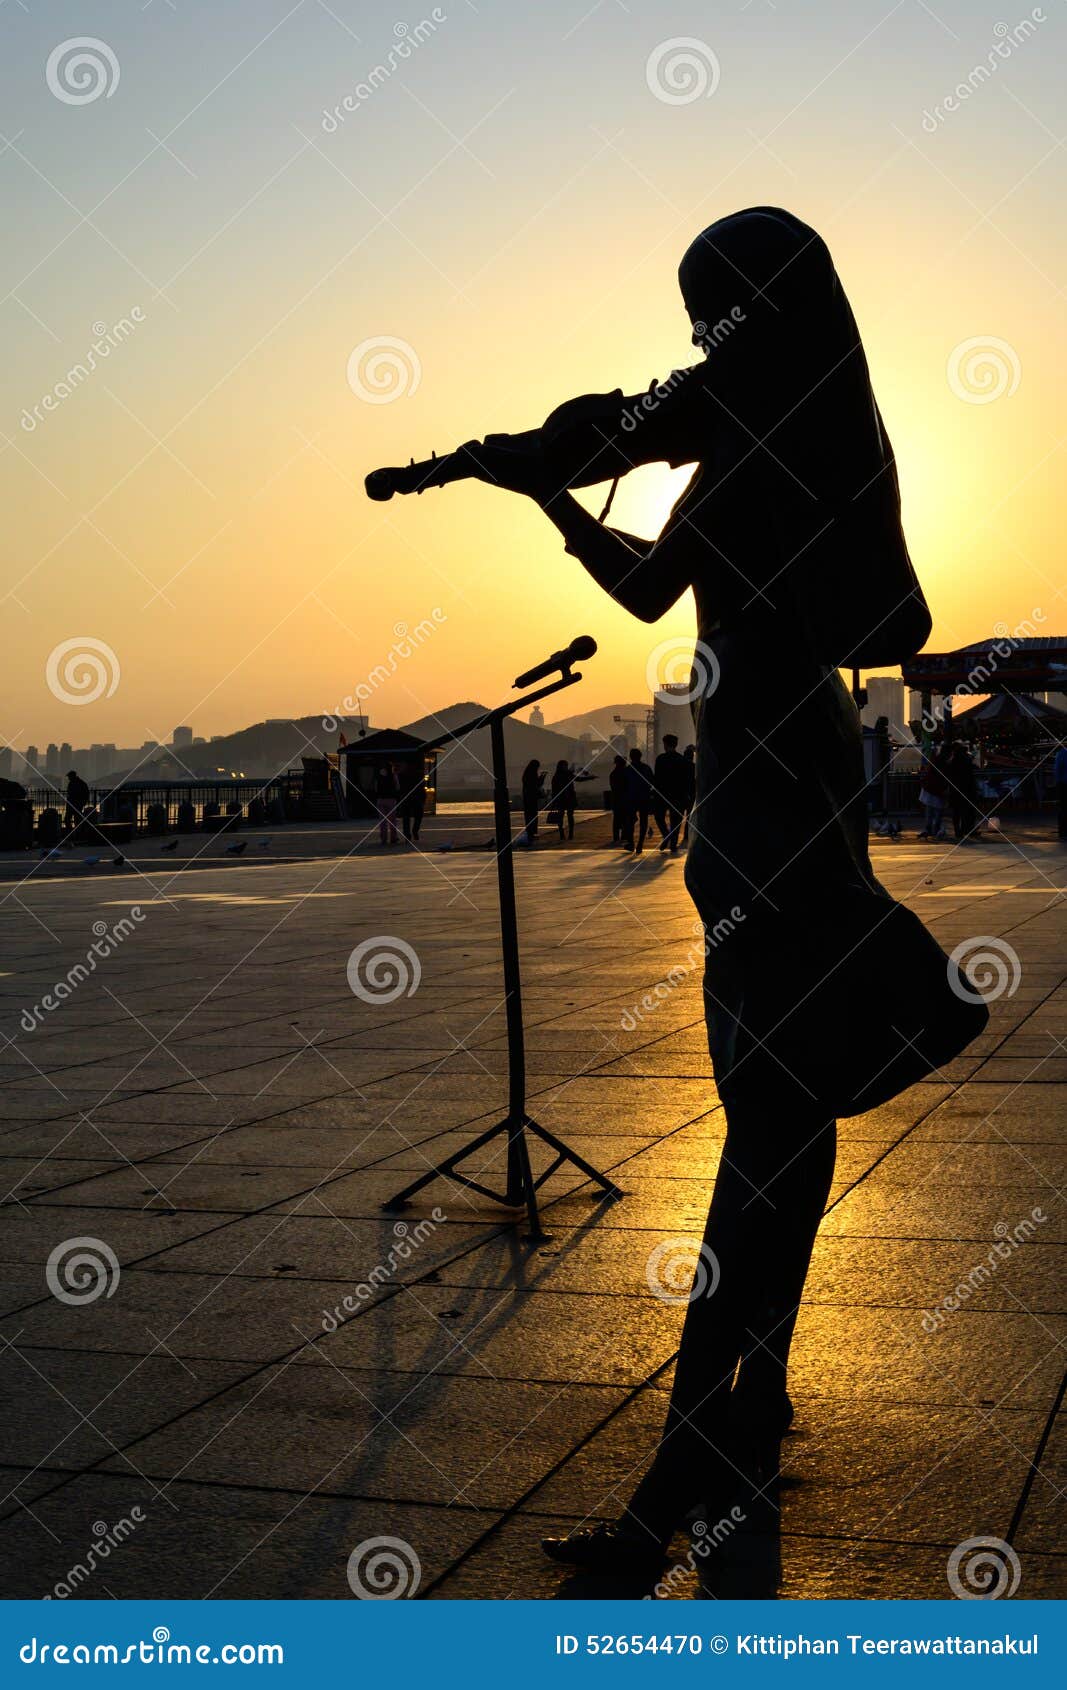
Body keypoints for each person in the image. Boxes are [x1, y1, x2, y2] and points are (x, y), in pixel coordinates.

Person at [454, 206, 933, 1570]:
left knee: (756, 1141)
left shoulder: (748, 428)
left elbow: (626, 446)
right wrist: (549, 492)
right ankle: (756, 1384)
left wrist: (545, 460)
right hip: (792, 786)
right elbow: (658, 578)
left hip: (764, 804)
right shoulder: (798, 432)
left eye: (703, 305)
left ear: (749, 310)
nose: (687, 334)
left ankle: (673, 1484)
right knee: (782, 1117)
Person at [654, 733, 689, 854]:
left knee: (659, 817)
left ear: (665, 744)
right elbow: (686, 779)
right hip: (678, 794)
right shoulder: (682, 760)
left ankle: (666, 835)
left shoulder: (660, 759)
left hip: (663, 794)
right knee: (676, 820)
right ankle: (673, 844)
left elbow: (657, 778)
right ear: (676, 744)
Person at [624, 746, 655, 853]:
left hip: (631, 798)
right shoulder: (646, 768)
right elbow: (652, 782)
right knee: (643, 821)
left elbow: (624, 786)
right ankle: (640, 844)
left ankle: (631, 843)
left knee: (630, 821)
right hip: (644, 797)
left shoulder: (627, 770)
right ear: (640, 757)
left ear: (631, 757)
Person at [948, 742, 980, 841]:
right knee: (965, 811)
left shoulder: (953, 761)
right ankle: (964, 829)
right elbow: (973, 770)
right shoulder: (965, 761)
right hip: (965, 789)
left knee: (957, 812)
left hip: (956, 789)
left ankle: (959, 830)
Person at [917, 746, 948, 840]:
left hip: (930, 789)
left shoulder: (934, 762)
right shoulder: (942, 763)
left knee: (930, 811)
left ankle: (929, 828)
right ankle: (935, 829)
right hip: (936, 789)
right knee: (937, 811)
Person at [549, 759, 576, 840]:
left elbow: (554, 790)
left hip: (563, 799)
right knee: (566, 816)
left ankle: (565, 834)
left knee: (564, 816)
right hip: (566, 798)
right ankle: (566, 834)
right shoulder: (567, 775)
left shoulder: (557, 776)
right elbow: (578, 779)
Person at [398, 768, 426, 842]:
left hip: (406, 797)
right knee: (418, 816)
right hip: (417, 798)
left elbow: (400, 787)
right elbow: (422, 787)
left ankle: (407, 835)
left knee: (406, 818)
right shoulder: (419, 774)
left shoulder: (402, 774)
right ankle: (414, 831)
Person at [374, 764, 399, 845]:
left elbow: (375, 788)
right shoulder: (393, 776)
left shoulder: (378, 776)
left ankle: (383, 839)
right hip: (391, 800)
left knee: (382, 821)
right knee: (392, 820)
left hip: (380, 800)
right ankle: (393, 838)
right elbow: (398, 787)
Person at [63, 769, 91, 840]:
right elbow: (86, 794)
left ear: (72, 776)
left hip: (76, 805)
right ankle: (74, 834)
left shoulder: (78, 783)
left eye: (69, 777)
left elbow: (85, 794)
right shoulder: (79, 783)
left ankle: (74, 834)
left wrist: (82, 802)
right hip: (74, 805)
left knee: (73, 820)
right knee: (72, 820)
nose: (68, 778)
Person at [520, 758, 543, 843]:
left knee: (529, 815)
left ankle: (530, 831)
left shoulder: (527, 774)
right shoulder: (532, 774)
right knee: (533, 815)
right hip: (531, 798)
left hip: (527, 798)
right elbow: (537, 784)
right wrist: (541, 778)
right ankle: (532, 831)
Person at [608, 753, 629, 844]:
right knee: (626, 818)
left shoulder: (613, 774)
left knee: (617, 819)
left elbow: (613, 787)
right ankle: (624, 835)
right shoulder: (626, 773)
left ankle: (616, 837)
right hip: (626, 799)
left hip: (616, 799)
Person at [681, 743, 696, 843]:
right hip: (691, 793)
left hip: (680, 793)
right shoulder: (694, 767)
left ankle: (673, 837)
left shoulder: (680, 766)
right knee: (689, 816)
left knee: (678, 816)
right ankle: (687, 834)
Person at [1056, 742, 1067, 840]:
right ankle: (1063, 832)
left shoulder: (1061, 753)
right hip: (1064, 784)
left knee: (1063, 808)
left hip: (1063, 783)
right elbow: (1058, 770)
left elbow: (1057, 769)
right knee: (1063, 808)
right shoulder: (1062, 753)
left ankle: (1063, 832)